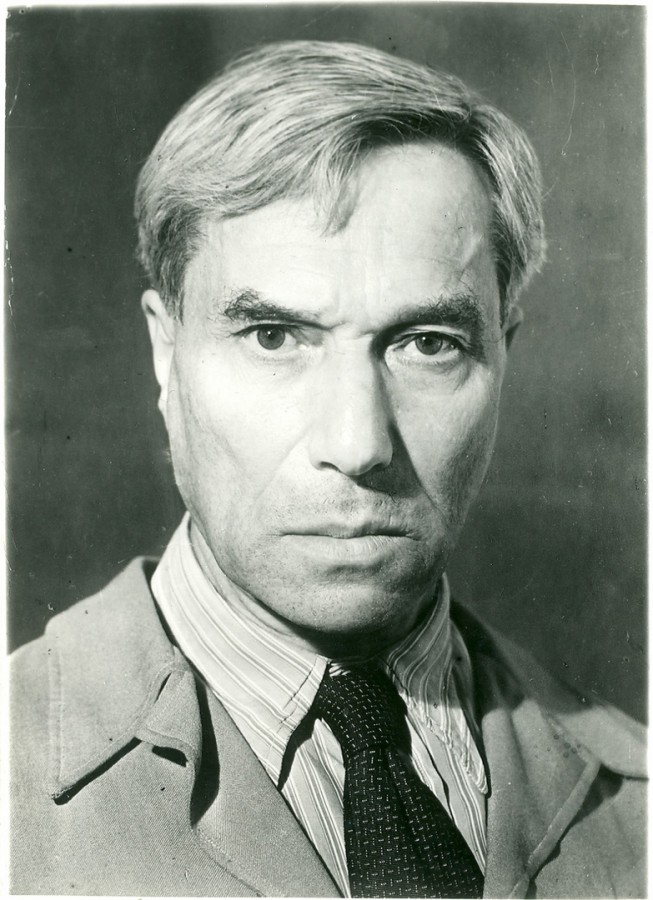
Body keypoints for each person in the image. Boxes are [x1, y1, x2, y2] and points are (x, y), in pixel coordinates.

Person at [10, 40, 646, 898]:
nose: (356, 443)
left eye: (427, 344)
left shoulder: (638, 807)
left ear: (503, 357)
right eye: (274, 337)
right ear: (165, 354)